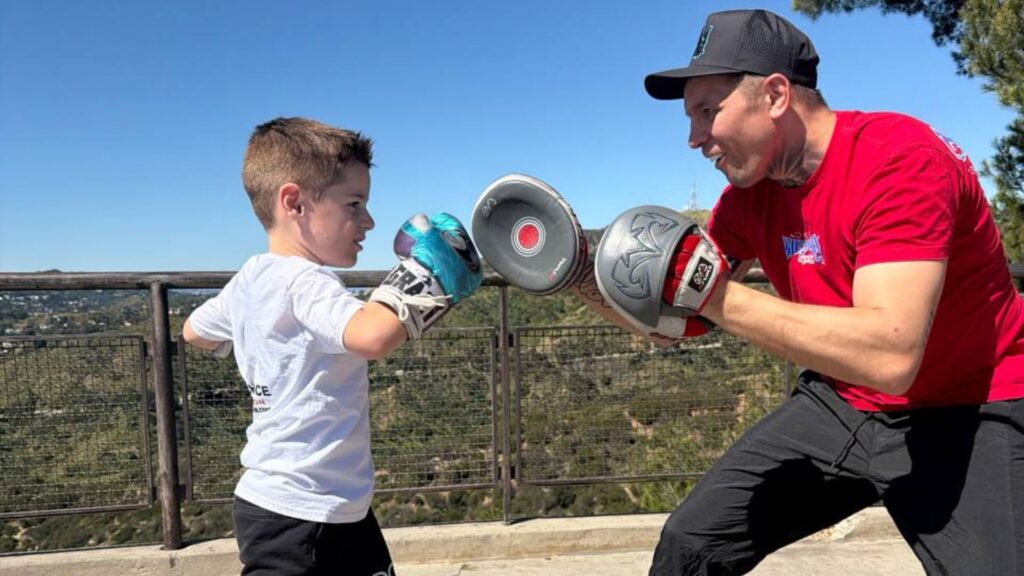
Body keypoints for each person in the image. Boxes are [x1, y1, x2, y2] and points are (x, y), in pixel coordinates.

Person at [573, 8, 1024, 575]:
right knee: (691, 545)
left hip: (970, 404)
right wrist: (576, 274)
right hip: (843, 400)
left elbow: (891, 354)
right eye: (691, 118)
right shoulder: (748, 198)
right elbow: (675, 320)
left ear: (776, 95)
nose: (694, 139)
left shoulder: (900, 160)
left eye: (708, 112)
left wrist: (715, 296)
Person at [182, 117, 482, 576]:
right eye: (354, 204)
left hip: (322, 505)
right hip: (303, 512)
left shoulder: (250, 278)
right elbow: (372, 335)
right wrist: (429, 272)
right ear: (294, 203)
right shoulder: (305, 281)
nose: (369, 221)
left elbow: (194, 331)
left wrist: (261, 347)